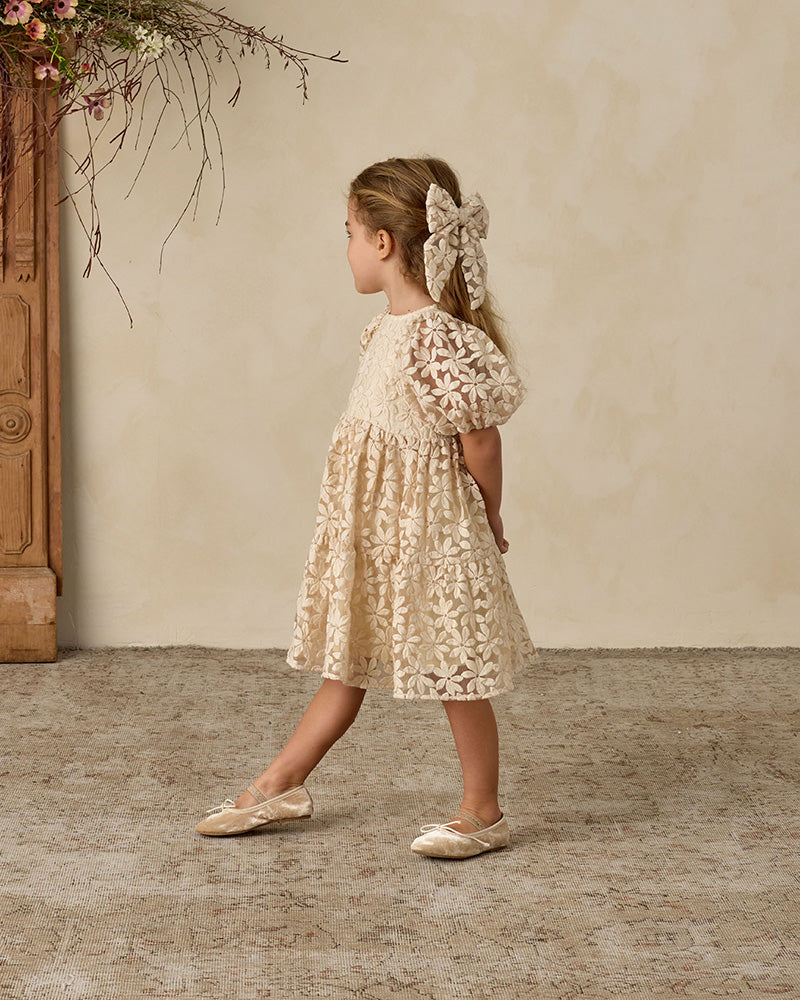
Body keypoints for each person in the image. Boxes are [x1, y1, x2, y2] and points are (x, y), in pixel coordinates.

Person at [196, 156, 537, 858]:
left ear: (382, 243)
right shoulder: (382, 331)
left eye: (349, 233)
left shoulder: (438, 336)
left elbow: (480, 438)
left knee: (454, 665)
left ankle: (483, 811)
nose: (347, 247)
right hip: (376, 531)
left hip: (432, 530)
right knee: (346, 660)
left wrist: (489, 514)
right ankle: (282, 783)